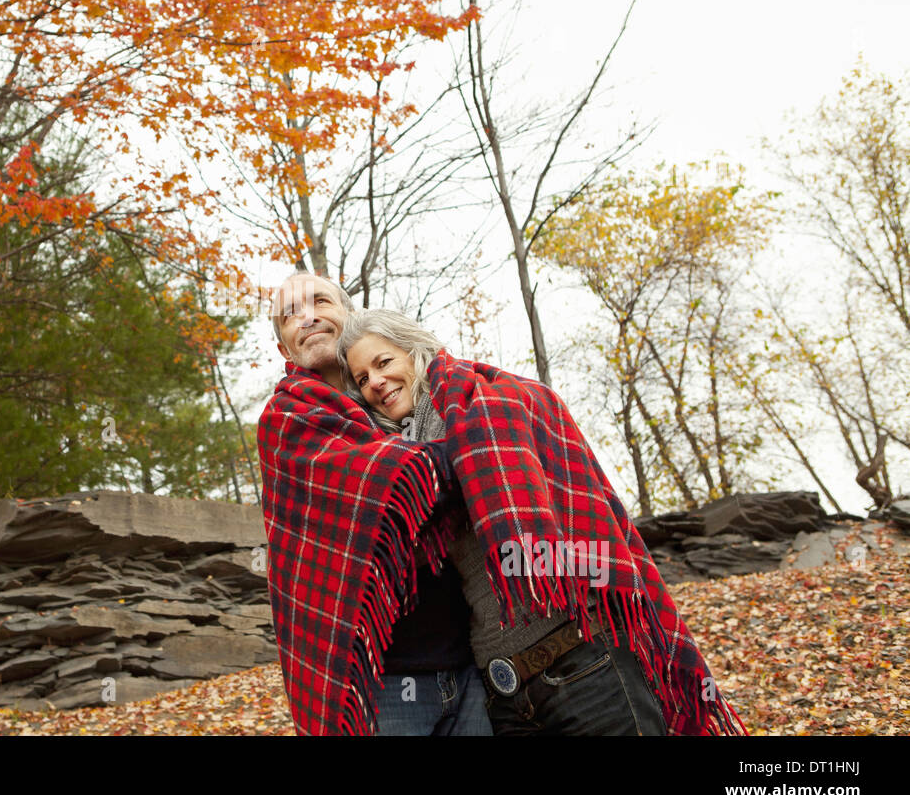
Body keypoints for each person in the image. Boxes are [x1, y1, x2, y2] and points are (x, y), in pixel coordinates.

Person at [335, 307, 747, 735]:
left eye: (383, 362)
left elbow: (582, 516)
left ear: (416, 353)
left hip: (586, 658)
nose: (376, 382)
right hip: (504, 691)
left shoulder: (491, 401)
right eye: (363, 379)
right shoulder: (397, 460)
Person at [258, 272, 491, 736]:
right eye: (290, 314)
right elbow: (393, 476)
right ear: (285, 350)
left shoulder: (407, 395)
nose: (307, 317)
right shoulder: (288, 419)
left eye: (320, 301)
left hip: (470, 665)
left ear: (348, 316)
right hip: (381, 685)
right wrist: (466, 450)